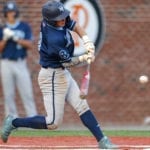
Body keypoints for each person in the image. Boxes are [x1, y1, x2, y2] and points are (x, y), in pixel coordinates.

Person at [1, 1, 117, 149]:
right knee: (53, 123)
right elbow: (68, 63)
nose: (63, 19)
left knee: (82, 106)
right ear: (50, 20)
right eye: (59, 18)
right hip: (52, 77)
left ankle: (103, 141)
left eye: (63, 16)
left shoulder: (56, 20)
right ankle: (13, 122)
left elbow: (76, 26)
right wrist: (84, 58)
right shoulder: (54, 39)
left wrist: (87, 42)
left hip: (62, 73)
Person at [0, 1, 37, 117]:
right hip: (6, 63)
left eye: (13, 11)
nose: (11, 14)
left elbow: (30, 45)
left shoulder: (24, 26)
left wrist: (16, 38)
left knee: (27, 93)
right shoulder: (2, 29)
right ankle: (11, 121)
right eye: (9, 12)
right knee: (9, 94)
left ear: (16, 12)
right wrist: (5, 39)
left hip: (20, 62)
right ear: (5, 14)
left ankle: (32, 118)